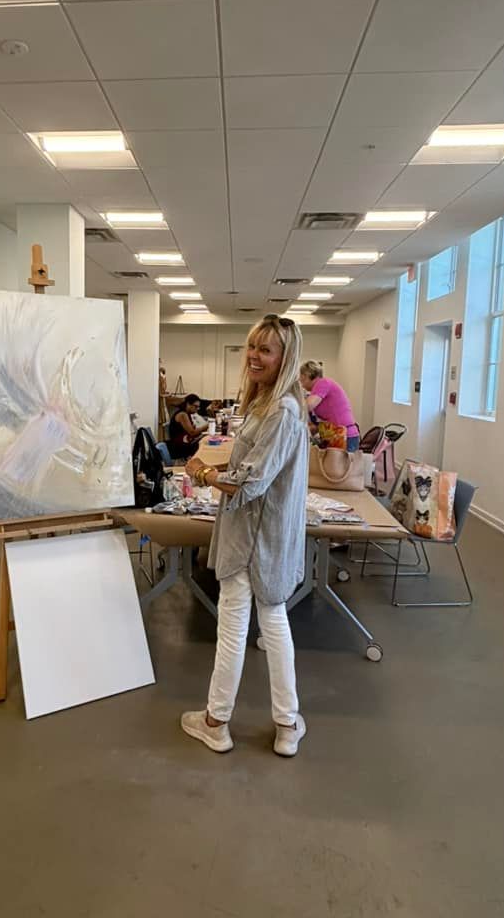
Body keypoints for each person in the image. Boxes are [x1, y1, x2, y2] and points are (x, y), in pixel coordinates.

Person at [181, 315, 309, 757]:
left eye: (266, 350)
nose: (254, 356)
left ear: (284, 358)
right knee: (266, 625)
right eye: (252, 346)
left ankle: (223, 722)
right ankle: (285, 724)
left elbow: (250, 482)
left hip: (256, 540)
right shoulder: (267, 406)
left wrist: (204, 472)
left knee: (247, 627)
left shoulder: (282, 412)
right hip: (255, 536)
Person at [299, 360, 360, 452]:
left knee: (337, 466)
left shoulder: (323, 383)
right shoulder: (318, 390)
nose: (301, 383)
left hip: (344, 436)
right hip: (337, 435)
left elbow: (307, 406)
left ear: (308, 375)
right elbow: (316, 426)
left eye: (302, 379)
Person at [167, 393, 208, 461]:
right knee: (204, 445)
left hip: (183, 443)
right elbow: (192, 432)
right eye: (195, 406)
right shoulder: (182, 415)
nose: (197, 409)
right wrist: (207, 425)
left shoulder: (186, 414)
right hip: (179, 447)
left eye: (198, 407)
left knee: (204, 440)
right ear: (188, 404)